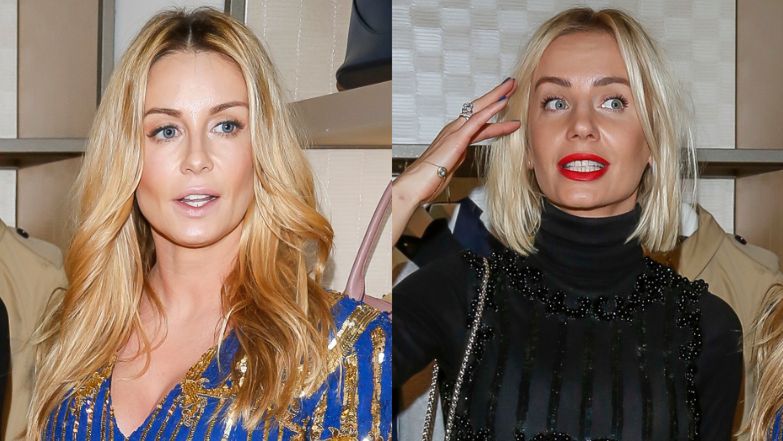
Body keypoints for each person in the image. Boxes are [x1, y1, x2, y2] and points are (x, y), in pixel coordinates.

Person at [27, 8, 390, 441]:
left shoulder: (344, 348)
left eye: (225, 126)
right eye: (166, 131)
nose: (196, 159)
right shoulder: (77, 331)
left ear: (261, 148)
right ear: (126, 155)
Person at [392, 8, 742, 440]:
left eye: (613, 102)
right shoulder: (456, 292)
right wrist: (402, 197)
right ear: (525, 144)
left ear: (653, 140)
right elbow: (326, 390)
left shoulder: (708, 327)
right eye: (556, 102)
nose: (581, 126)